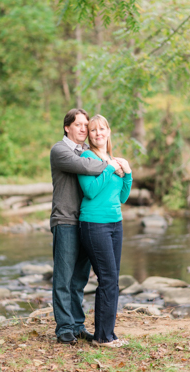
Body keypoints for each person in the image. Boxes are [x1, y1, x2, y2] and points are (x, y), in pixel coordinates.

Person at [49, 108, 123, 345]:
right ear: (66, 127)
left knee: (79, 279)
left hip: (85, 222)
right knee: (63, 277)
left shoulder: (85, 151)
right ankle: (64, 328)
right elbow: (86, 168)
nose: (83, 129)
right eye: (78, 125)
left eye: (85, 125)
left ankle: (78, 325)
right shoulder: (60, 150)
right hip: (65, 220)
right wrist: (110, 163)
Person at [78, 115, 132, 348]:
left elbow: (122, 197)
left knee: (112, 279)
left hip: (115, 223)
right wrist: (110, 169)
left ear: (109, 132)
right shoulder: (86, 158)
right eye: (93, 130)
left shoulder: (114, 160)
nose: (98, 133)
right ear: (89, 135)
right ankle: (102, 337)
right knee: (108, 278)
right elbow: (90, 191)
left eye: (102, 129)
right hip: (94, 223)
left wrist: (128, 173)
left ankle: (108, 334)